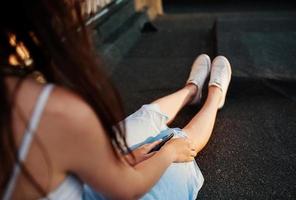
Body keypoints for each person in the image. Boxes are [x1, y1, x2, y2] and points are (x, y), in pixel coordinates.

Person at [0, 1, 231, 199]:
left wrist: (127, 158)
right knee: (177, 145)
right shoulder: (56, 111)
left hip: (84, 182)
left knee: (144, 116)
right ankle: (215, 95)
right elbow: (129, 190)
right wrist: (169, 152)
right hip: (116, 188)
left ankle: (191, 91)